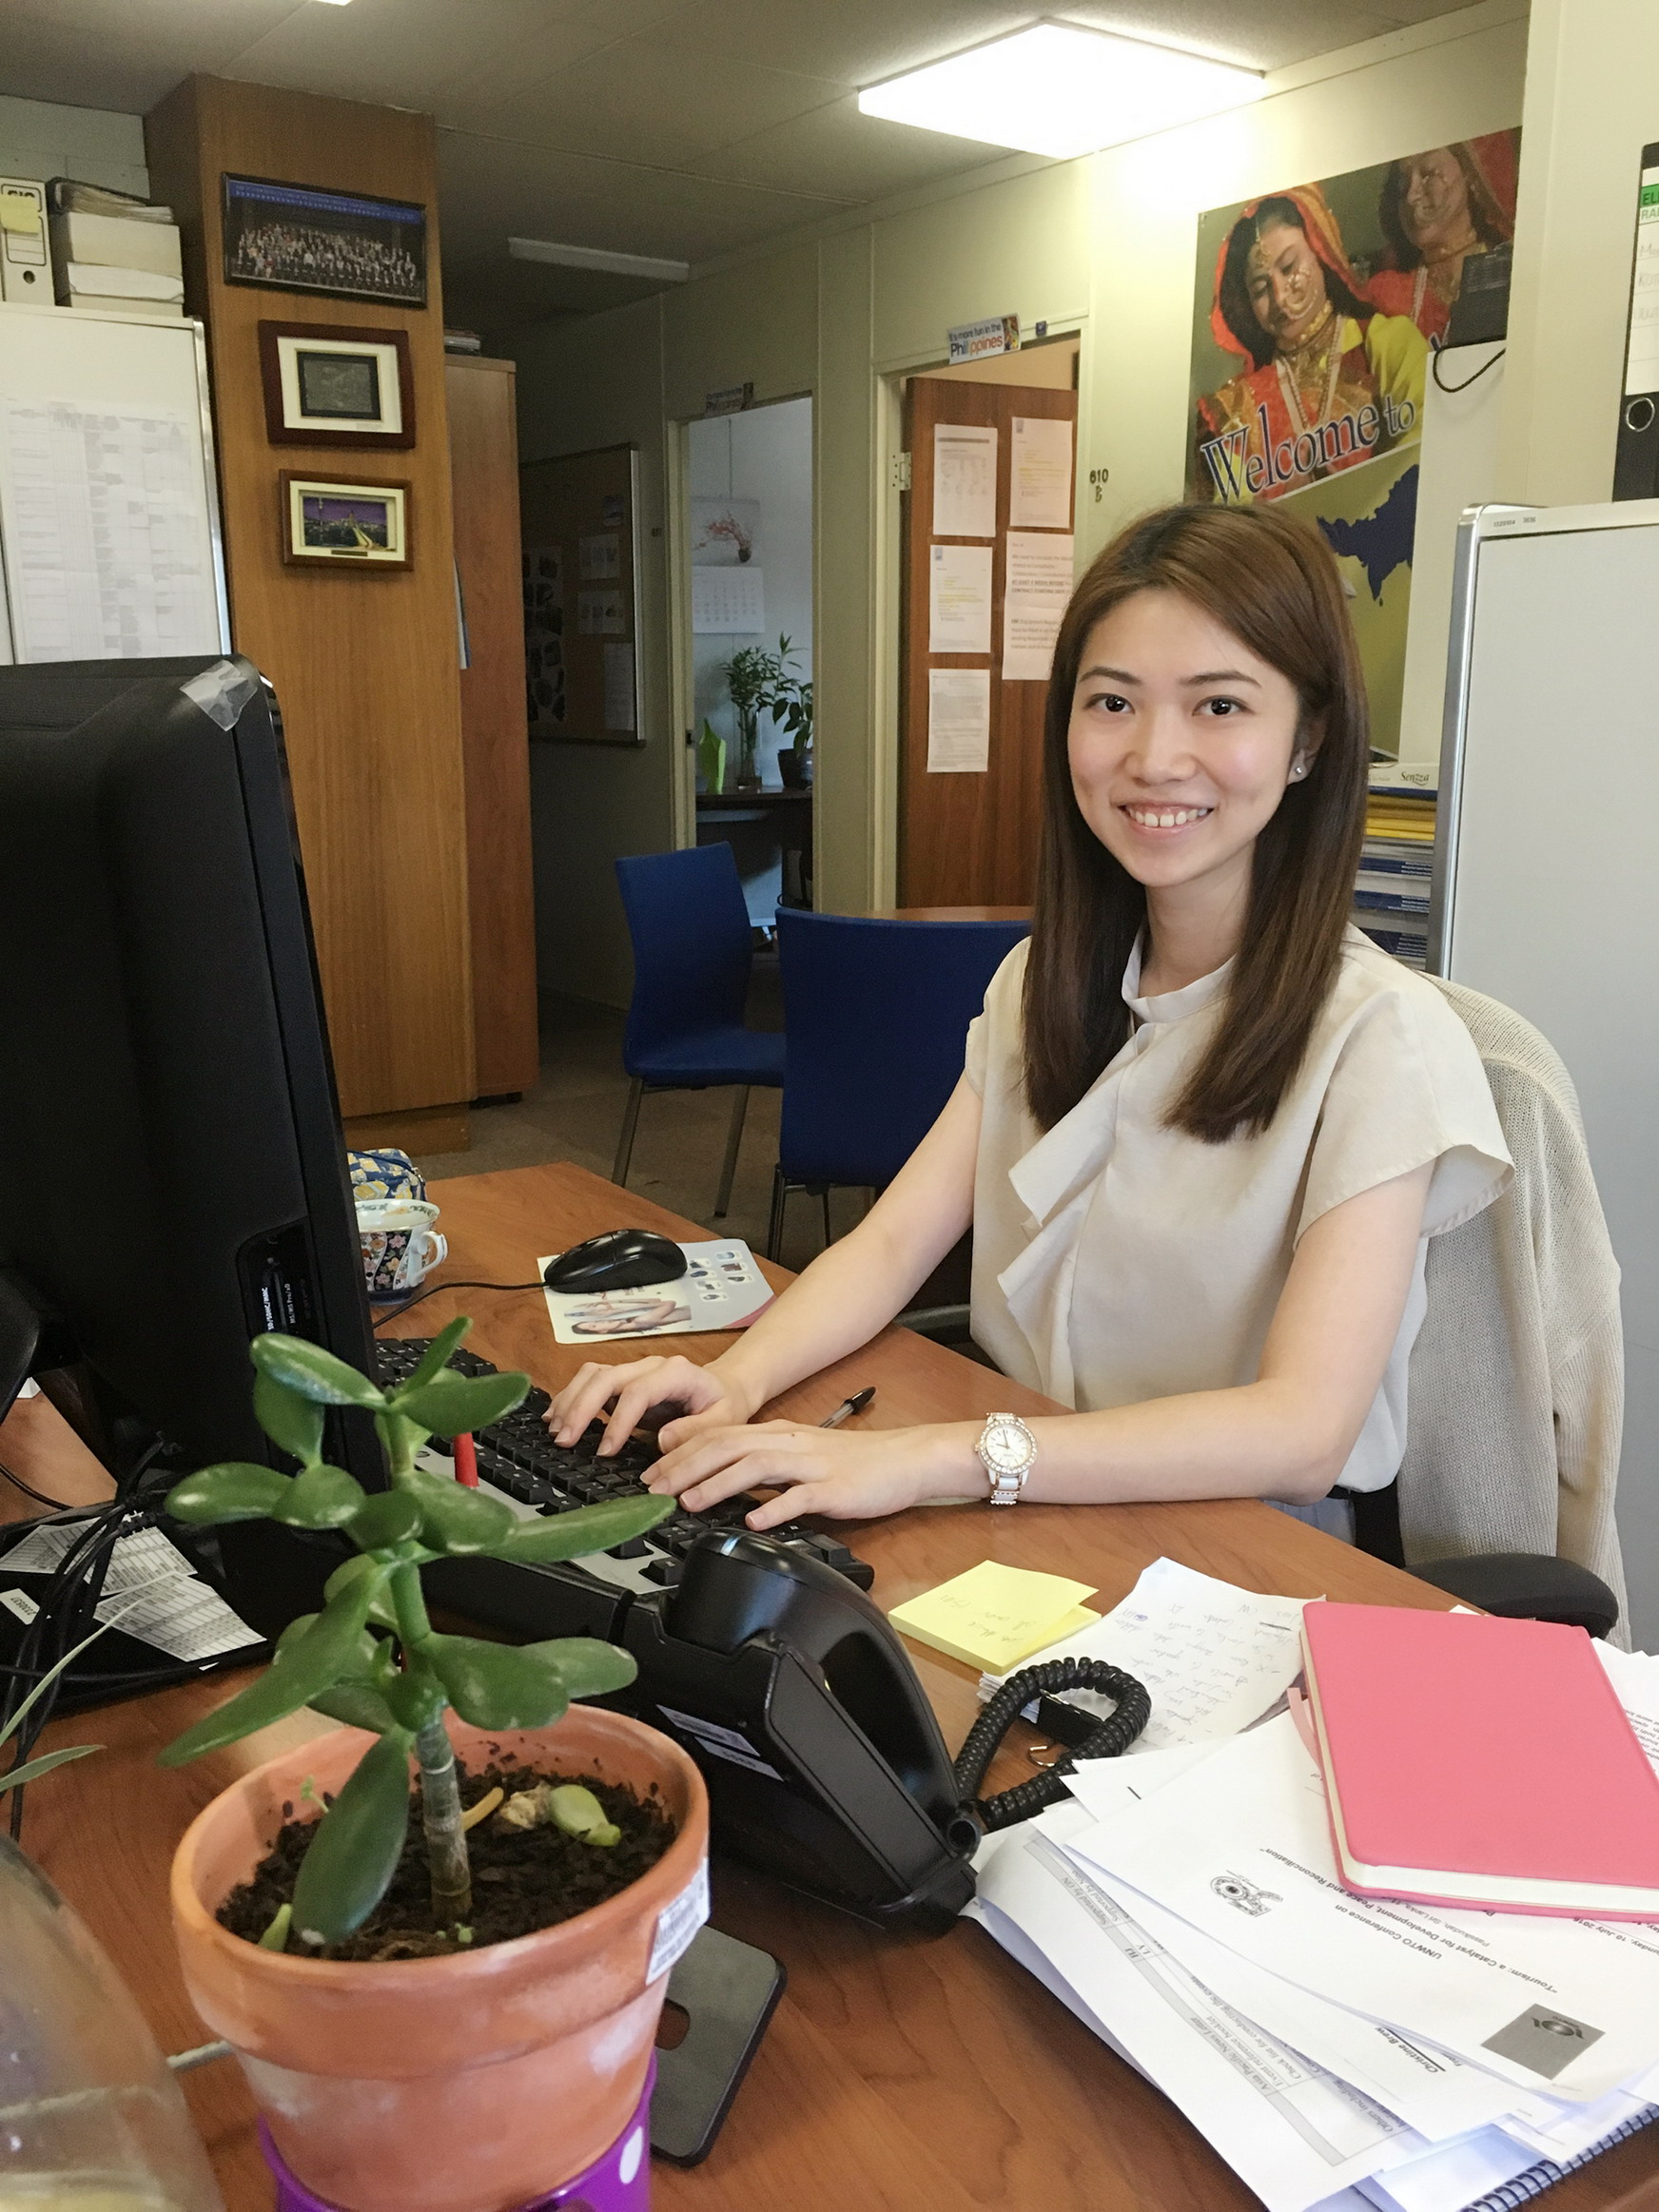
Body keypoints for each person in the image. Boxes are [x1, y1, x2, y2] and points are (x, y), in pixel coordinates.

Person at [546, 504, 1509, 1540]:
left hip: (1243, 1534)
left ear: (1308, 740)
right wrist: (735, 1379)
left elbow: (1302, 1431)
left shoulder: (1381, 1037)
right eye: (1112, 702)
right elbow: (892, 1244)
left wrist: (935, 1457)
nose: (1155, 756)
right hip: (1032, 1478)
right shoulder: (1040, 981)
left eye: (1220, 705)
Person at [1193, 186, 1427, 505]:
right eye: (1260, 289)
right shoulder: (1237, 408)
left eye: (1289, 267)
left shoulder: (1384, 342)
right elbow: (1234, 518)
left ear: (1322, 254)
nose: (1279, 296)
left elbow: (1424, 450)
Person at [1366, 136, 1518, 345]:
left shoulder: (1516, 271)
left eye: (1428, 174)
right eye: (1402, 187)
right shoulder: (1386, 296)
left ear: (1471, 173)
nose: (1411, 197)